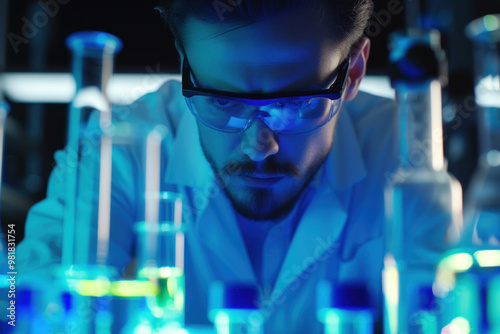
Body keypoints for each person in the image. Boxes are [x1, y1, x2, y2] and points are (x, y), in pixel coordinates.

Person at [17, 1, 452, 332]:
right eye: (223, 101)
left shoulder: (406, 160)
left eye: (295, 103)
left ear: (353, 71)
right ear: (186, 65)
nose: (258, 145)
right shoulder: (121, 150)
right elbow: (29, 302)